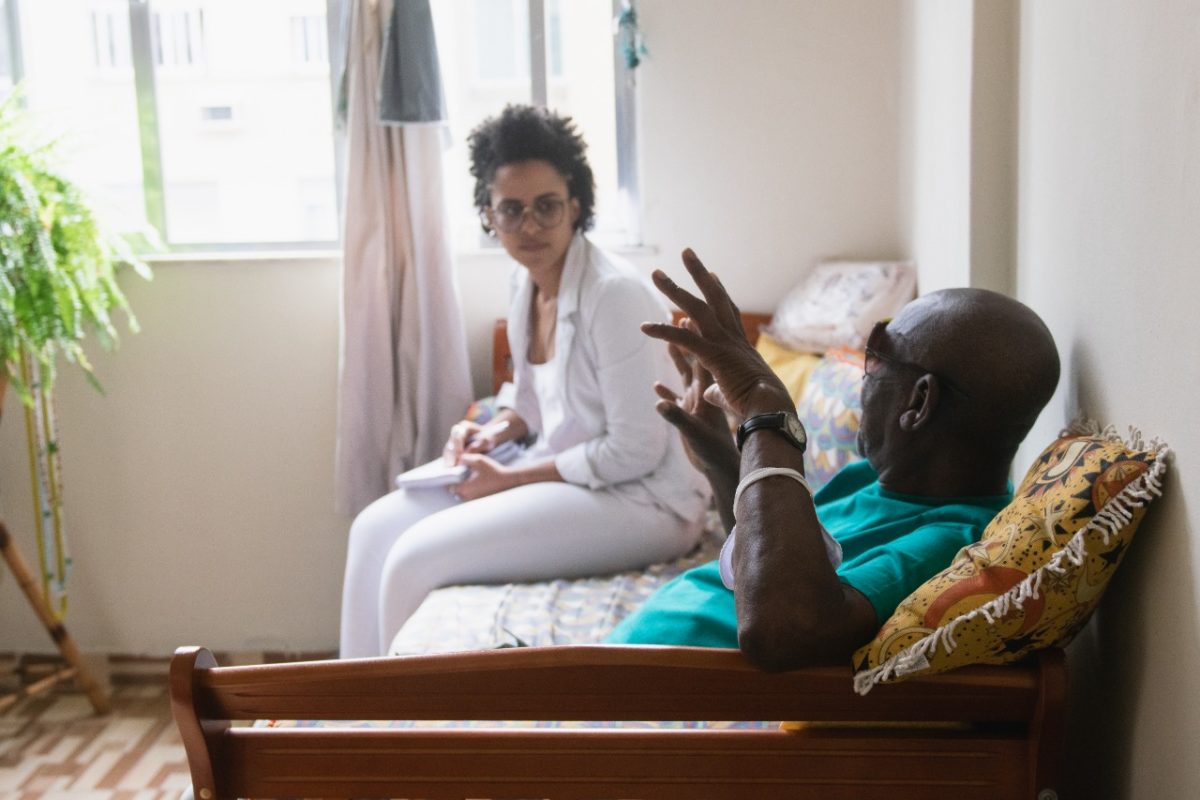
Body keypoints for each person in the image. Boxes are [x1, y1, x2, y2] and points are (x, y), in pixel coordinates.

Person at [339, 106, 710, 659]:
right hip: (573, 479)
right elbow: (531, 404)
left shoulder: (614, 296)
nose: (530, 226)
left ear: (576, 207)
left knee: (414, 557)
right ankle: (350, 718)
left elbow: (635, 451)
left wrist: (508, 481)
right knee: (372, 531)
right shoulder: (526, 283)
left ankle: (399, 728)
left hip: (643, 501)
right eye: (511, 210)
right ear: (489, 216)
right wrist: (487, 435)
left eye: (547, 207)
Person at [605, 250, 1060, 670]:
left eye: (879, 354)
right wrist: (726, 461)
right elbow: (769, 563)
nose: (866, 379)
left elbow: (784, 628)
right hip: (608, 678)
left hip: (639, 718)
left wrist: (769, 416)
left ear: (919, 404)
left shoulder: (948, 546)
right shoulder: (874, 478)